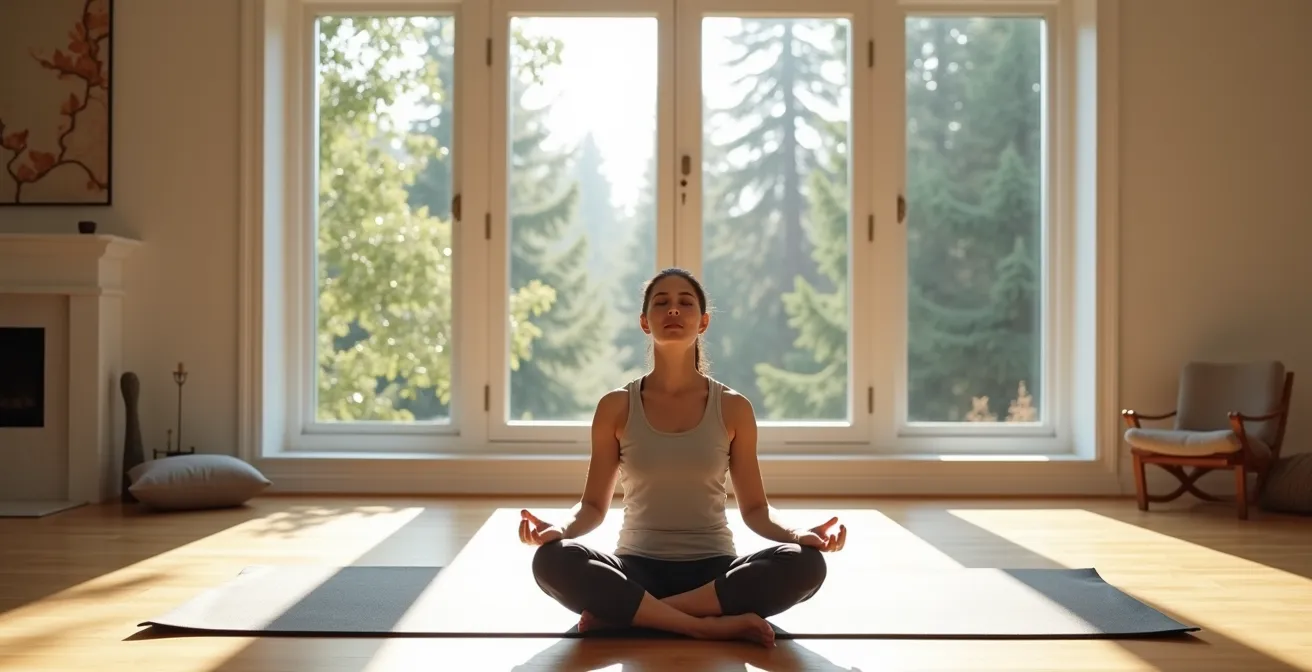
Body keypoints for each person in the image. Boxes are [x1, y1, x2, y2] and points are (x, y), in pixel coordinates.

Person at [520, 267, 846, 648]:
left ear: (703, 322)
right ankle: (704, 626)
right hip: (634, 568)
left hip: (715, 575)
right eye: (661, 303)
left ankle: (638, 618)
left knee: (806, 563)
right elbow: (592, 505)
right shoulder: (615, 407)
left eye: (685, 303)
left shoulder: (734, 408)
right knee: (550, 560)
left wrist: (797, 535)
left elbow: (756, 509)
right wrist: (559, 530)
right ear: (645, 322)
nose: (673, 310)